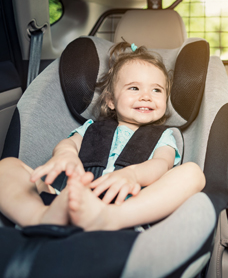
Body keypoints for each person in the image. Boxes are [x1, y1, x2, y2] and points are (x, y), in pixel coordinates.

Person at [0, 41, 205, 232]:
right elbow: (69, 143)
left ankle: (108, 217)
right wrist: (65, 156)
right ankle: (41, 217)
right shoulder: (92, 128)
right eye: (134, 88)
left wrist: (133, 175)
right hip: (67, 199)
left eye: (157, 90)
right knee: (7, 166)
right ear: (110, 101)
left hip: (125, 206)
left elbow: (162, 164)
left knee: (193, 173)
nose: (146, 96)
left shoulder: (164, 136)